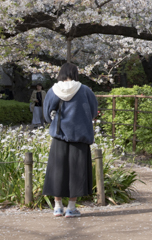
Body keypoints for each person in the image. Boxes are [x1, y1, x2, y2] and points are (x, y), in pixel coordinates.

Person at [43, 62, 98, 218]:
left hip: (59, 135)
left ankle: (57, 206)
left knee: (57, 170)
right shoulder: (85, 90)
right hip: (80, 137)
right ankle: (71, 208)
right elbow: (93, 112)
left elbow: (47, 115)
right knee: (77, 172)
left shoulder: (53, 90)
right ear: (75, 73)